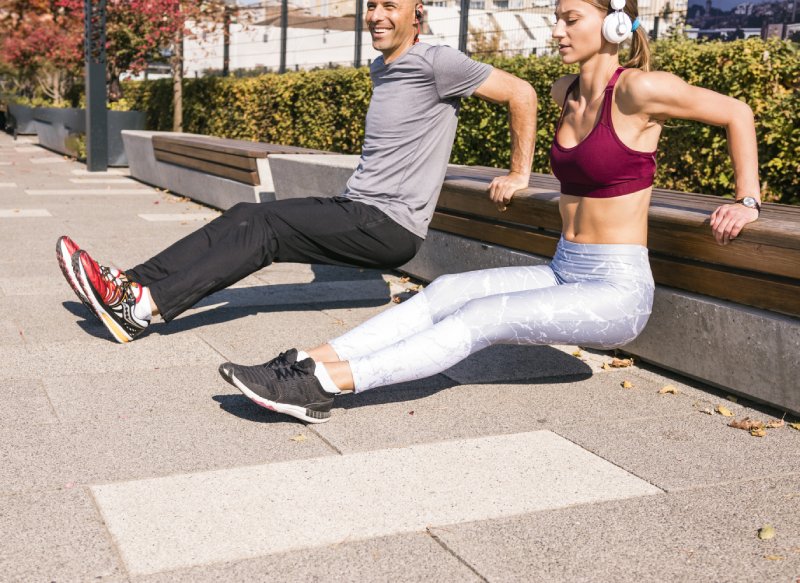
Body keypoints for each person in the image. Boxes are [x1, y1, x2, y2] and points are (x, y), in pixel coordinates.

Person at [218, 0, 761, 424]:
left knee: (479, 319)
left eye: (571, 20)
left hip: (615, 292)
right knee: (448, 291)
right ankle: (307, 360)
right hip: (564, 269)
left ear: (616, 25)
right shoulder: (564, 91)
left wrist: (746, 200)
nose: (556, 32)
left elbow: (737, 112)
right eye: (556, 20)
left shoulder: (641, 90)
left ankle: (325, 385)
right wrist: (520, 174)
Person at [56, 0, 537, 343]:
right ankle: (127, 284)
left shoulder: (437, 61)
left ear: (418, 14)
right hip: (359, 208)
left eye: (390, 5)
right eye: (371, 6)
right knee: (248, 214)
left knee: (265, 229)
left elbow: (522, 93)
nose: (376, 16)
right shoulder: (381, 67)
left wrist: (519, 174)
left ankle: (141, 308)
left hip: (390, 223)